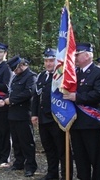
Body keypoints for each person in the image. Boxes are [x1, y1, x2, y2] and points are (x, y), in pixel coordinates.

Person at [64, 42, 100, 180]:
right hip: (75, 122)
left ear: (88, 55)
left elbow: (99, 94)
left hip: (92, 123)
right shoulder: (73, 74)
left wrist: (76, 97)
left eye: (77, 54)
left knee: (97, 158)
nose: (74, 57)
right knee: (80, 158)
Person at [32, 48, 72, 180]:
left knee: (62, 150)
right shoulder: (41, 76)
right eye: (46, 61)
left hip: (57, 118)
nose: (49, 64)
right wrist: (34, 114)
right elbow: (36, 97)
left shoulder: (61, 76)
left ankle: (66, 175)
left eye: (51, 60)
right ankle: (52, 173)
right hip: (43, 118)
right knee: (48, 148)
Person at [0, 56, 37, 178]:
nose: (13, 71)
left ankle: (30, 165)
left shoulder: (31, 76)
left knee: (27, 142)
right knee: (16, 141)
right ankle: (19, 162)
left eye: (15, 68)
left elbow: (28, 92)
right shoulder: (16, 77)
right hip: (13, 114)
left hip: (24, 114)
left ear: (21, 65)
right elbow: (10, 92)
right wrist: (4, 100)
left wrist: (10, 100)